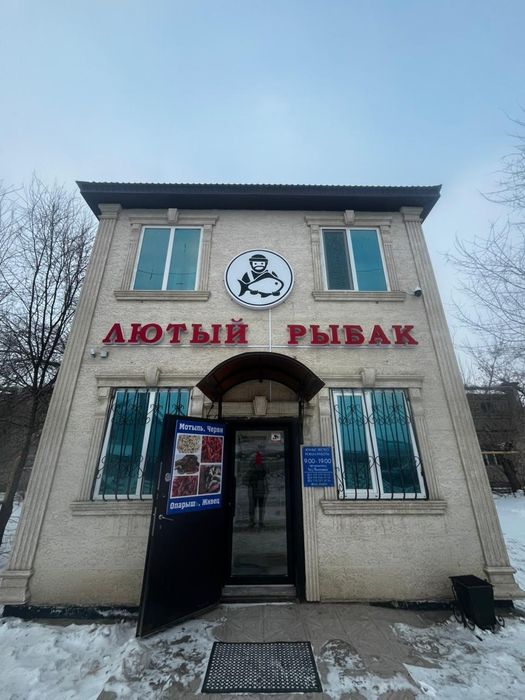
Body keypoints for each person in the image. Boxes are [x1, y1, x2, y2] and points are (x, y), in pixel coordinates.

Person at [247, 450, 268, 528]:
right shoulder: (262, 470)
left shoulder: (255, 470)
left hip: (257, 490)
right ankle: (258, 521)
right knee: (258, 507)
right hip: (258, 490)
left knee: (256, 507)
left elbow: (248, 480)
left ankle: (255, 521)